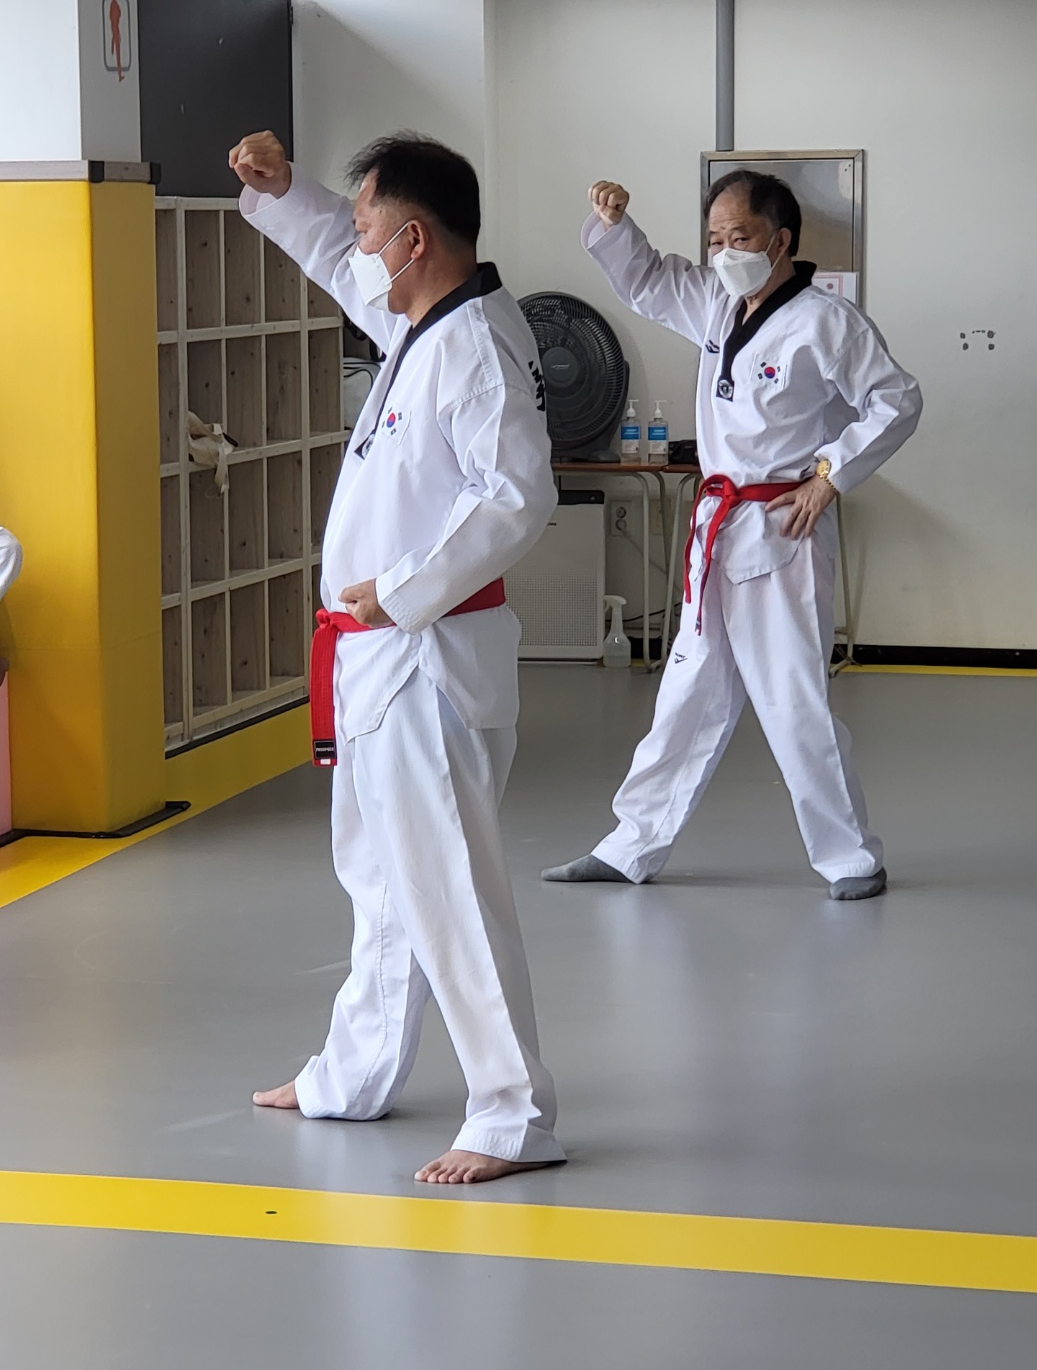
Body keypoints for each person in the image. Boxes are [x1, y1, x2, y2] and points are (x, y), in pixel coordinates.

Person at [229, 130, 564, 1184]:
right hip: (380, 658)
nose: (359, 242)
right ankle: (355, 1072)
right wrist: (288, 194)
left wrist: (408, 586)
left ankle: (513, 1114)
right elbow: (339, 259)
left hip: (429, 657)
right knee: (381, 882)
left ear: (414, 240)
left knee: (451, 887)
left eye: (371, 224)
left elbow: (518, 498)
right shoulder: (425, 324)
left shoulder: (476, 349)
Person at [544, 170, 922, 901]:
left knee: (792, 697)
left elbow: (896, 400)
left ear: (780, 241)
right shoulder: (716, 305)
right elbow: (648, 281)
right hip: (718, 528)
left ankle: (851, 857)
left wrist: (829, 477)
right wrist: (616, 226)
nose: (724, 253)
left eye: (739, 237)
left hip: (782, 528)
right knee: (687, 692)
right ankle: (633, 844)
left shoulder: (826, 322)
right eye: (715, 239)